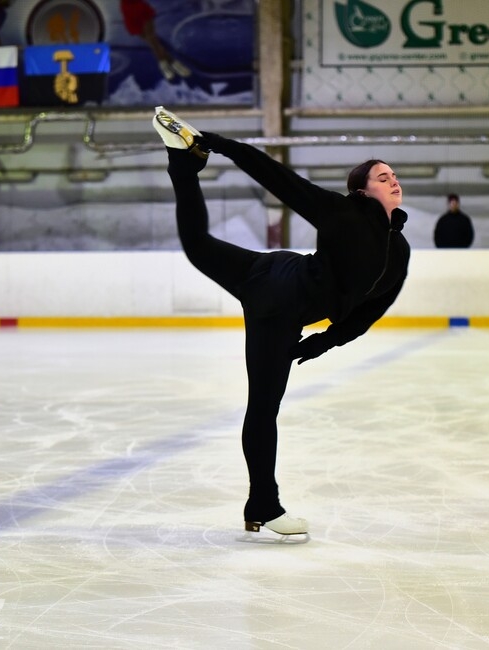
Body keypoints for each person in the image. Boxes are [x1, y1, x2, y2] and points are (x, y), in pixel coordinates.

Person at [153, 107, 411, 537]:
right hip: (279, 303)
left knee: (198, 244)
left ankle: (183, 162)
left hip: (277, 274)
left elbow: (371, 310)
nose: (392, 180)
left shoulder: (398, 251)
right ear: (362, 192)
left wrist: (325, 341)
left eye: (393, 175)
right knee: (263, 406)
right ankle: (264, 505)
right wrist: (224, 145)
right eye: (381, 177)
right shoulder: (344, 214)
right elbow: (279, 179)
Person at [120, 0, 191, 81]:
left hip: (141, 9)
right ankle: (173, 62)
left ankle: (164, 66)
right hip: (129, 12)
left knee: (152, 39)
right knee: (154, 43)